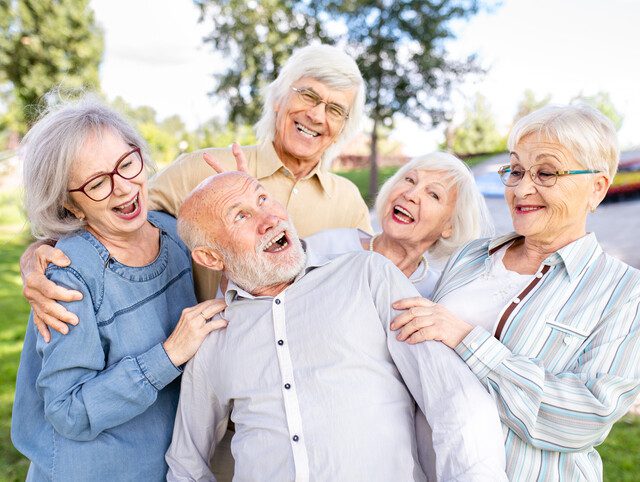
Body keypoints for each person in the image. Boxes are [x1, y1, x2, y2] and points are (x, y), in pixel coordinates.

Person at [166, 171, 507, 481]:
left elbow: (453, 398)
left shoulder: (367, 275)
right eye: (241, 215)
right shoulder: (213, 335)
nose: (269, 219)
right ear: (211, 258)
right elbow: (185, 464)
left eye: (263, 198)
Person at [18, 44, 372, 334]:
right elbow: (104, 211)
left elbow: (371, 290)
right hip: (208, 378)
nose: (316, 115)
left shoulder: (348, 203)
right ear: (278, 99)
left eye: (335, 109)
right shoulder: (198, 170)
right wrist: (38, 256)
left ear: (343, 127)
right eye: (308, 95)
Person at [391, 104, 640, 480]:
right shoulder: (471, 256)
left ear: (597, 187)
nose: (523, 188)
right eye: (516, 170)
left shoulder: (623, 292)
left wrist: (467, 340)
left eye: (546, 172)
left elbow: (586, 417)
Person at [11, 98, 227, 481]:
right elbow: (68, 410)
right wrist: (169, 353)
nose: (123, 189)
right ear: (70, 205)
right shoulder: (68, 274)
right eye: (96, 183)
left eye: (127, 164)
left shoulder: (174, 233)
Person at [305, 151, 493, 297]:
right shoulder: (327, 246)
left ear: (450, 227)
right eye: (410, 180)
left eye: (433, 194)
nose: (410, 195)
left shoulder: (434, 295)